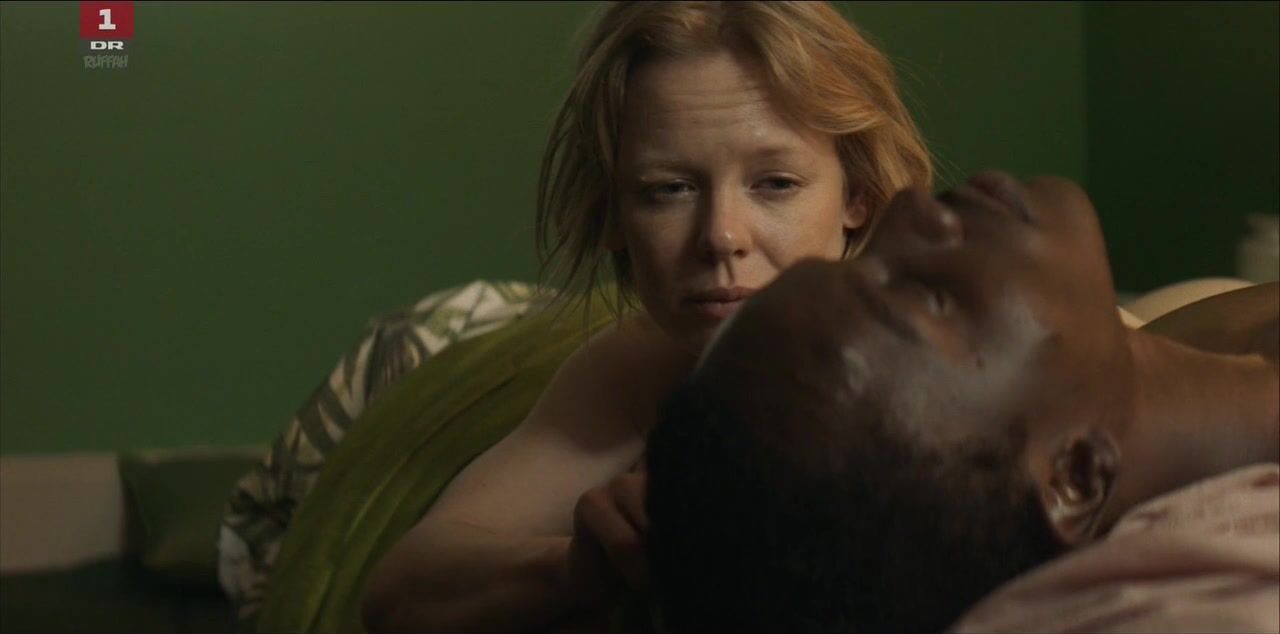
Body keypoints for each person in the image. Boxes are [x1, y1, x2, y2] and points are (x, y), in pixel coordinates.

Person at [360, 2, 933, 632]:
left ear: (858, 195)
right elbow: (401, 592)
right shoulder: (641, 368)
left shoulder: (939, 369)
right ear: (612, 212)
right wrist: (580, 567)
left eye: (775, 183)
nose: (721, 236)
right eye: (669, 189)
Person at [645, 171, 1279, 632]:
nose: (909, 207)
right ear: (1075, 477)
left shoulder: (1192, 335)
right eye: (924, 295)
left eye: (867, 256)